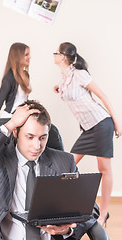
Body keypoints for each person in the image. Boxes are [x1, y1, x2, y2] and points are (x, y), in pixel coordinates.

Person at [0, 100, 99, 240]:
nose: (37, 146)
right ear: (16, 133)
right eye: (30, 137)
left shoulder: (64, 162)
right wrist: (10, 124)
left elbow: (91, 209)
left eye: (43, 138)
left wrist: (67, 230)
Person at [53, 42, 122, 226]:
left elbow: (103, 96)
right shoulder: (64, 77)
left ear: (63, 56)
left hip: (101, 123)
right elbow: (69, 92)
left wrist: (117, 122)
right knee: (68, 165)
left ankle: (104, 213)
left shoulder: (80, 74)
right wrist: (59, 89)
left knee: (104, 168)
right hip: (88, 128)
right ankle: (71, 205)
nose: (54, 54)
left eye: (56, 52)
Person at [0, 42, 32, 119]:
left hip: (22, 116)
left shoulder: (26, 75)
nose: (30, 57)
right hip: (10, 117)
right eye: (26, 55)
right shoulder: (9, 77)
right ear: (18, 56)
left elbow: (23, 100)